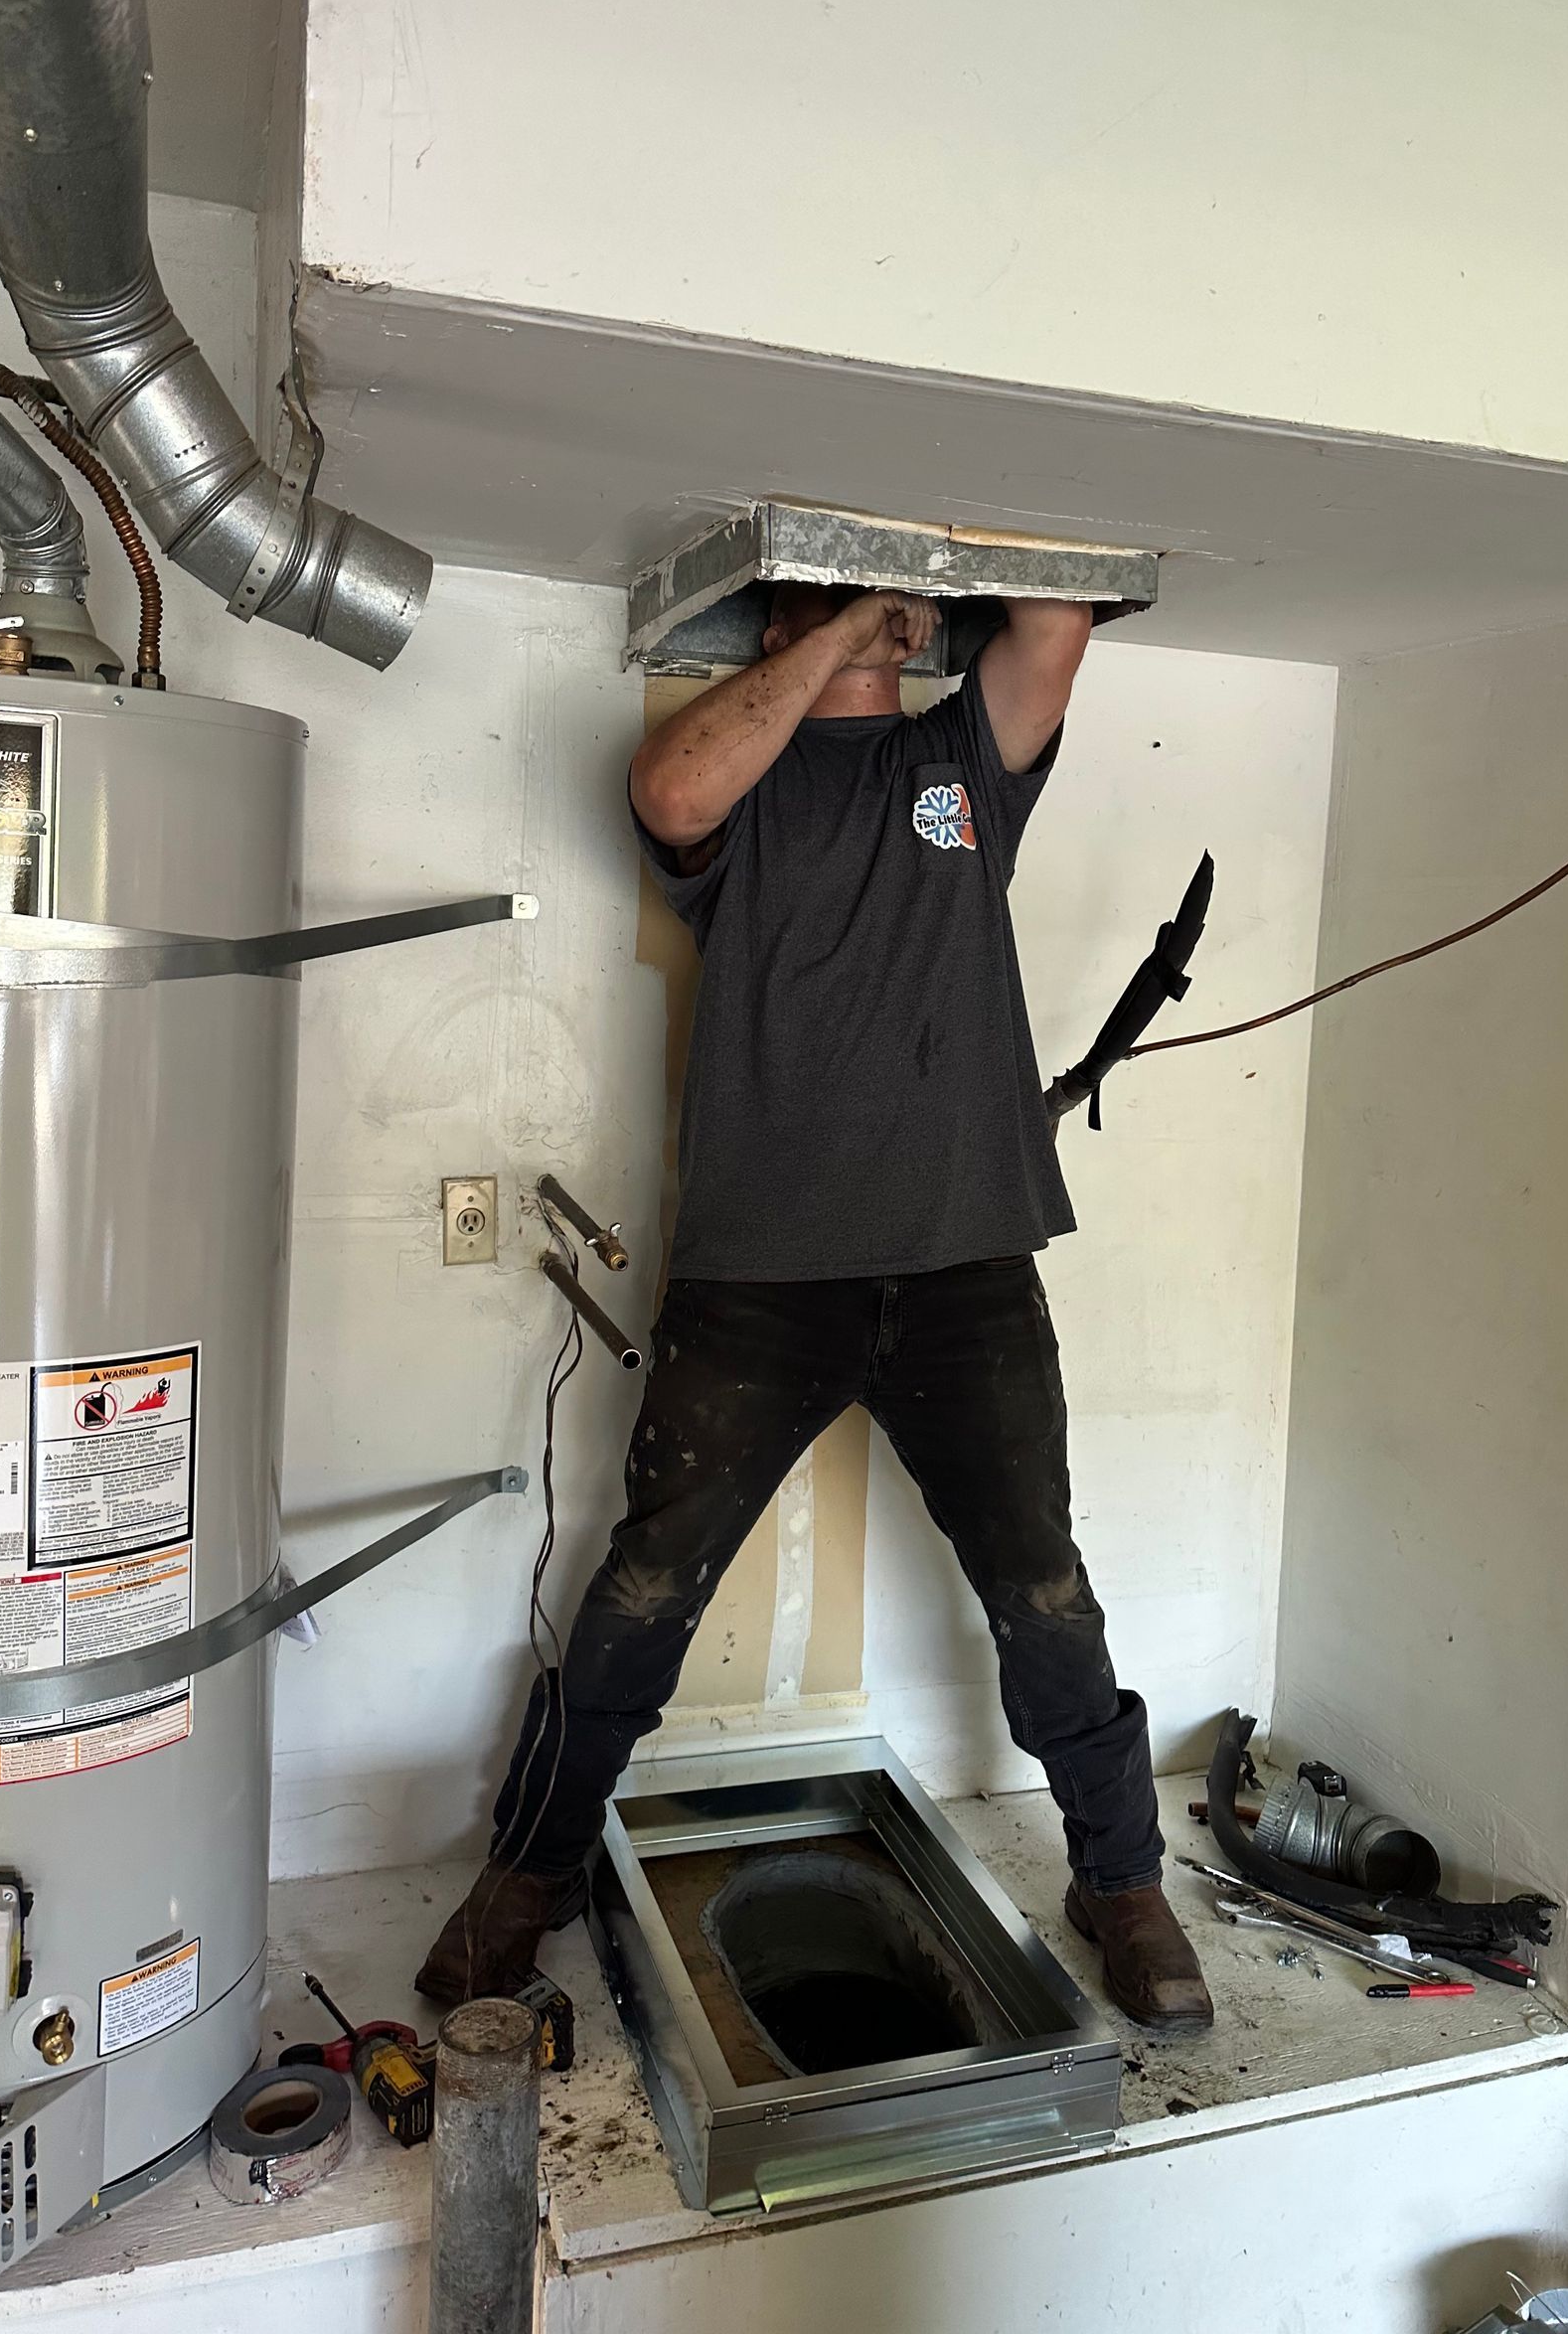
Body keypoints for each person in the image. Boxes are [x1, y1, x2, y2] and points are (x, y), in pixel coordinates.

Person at [416, 583, 1212, 2035]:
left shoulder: (959, 766)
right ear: (780, 629)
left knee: (1044, 1591)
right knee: (644, 1589)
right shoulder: (742, 793)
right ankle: (527, 1874)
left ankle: (1123, 1883)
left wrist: (912, 576)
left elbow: (1053, 630)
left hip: (967, 1269)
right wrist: (846, 628)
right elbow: (666, 788)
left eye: (884, 602)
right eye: (828, 600)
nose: (875, 619)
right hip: (759, 1281)